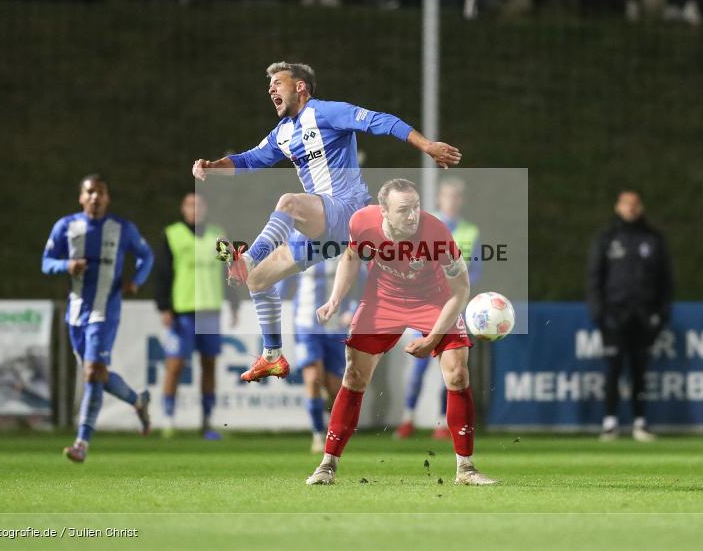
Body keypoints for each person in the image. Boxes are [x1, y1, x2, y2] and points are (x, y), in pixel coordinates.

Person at [191, 62, 461, 384]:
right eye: (270, 85)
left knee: (289, 203)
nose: (271, 89)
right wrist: (212, 165)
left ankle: (247, 257)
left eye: (278, 82)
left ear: (301, 87)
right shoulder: (283, 133)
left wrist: (427, 145)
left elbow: (381, 122)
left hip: (348, 211)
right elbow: (249, 159)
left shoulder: (328, 113)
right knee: (258, 282)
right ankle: (273, 355)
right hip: (322, 228)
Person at [306, 178, 496, 486]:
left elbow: (460, 289)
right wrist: (335, 299)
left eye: (417, 207)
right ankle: (327, 464)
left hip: (434, 299)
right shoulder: (362, 222)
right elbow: (351, 257)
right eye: (404, 209)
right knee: (354, 375)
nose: (413, 216)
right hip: (384, 299)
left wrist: (432, 338)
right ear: (383, 211)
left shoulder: (436, 231)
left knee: (458, 374)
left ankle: (466, 468)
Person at [42, 175, 154, 463]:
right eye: (90, 192)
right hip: (76, 312)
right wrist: (66, 265)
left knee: (93, 373)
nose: (95, 197)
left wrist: (136, 281)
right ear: (81, 197)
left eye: (100, 192)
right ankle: (138, 400)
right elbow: (46, 262)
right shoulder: (66, 226)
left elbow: (146, 256)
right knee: (98, 374)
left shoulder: (122, 228)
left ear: (107, 198)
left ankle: (81, 443)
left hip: (106, 310)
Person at [395, 176, 482, 440]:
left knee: (454, 367)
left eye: (456, 197)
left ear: (461, 200)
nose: (451, 201)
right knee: (419, 365)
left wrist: (456, 286)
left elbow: (476, 271)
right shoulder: (422, 226)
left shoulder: (470, 231)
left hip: (454, 307)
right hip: (425, 305)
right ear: (439, 199)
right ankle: (407, 419)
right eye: (447, 196)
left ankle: (444, 422)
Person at [586, 189, 673, 442]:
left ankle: (640, 423)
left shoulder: (653, 239)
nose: (630, 209)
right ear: (618, 207)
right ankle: (610, 422)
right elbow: (594, 277)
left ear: (641, 207)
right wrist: (598, 312)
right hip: (614, 314)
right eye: (626, 204)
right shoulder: (606, 238)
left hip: (644, 316)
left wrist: (662, 313)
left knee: (640, 370)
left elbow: (666, 280)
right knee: (613, 368)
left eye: (634, 204)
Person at [153, 192, 240, 440]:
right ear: (183, 208)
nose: (195, 208)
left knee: (209, 366)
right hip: (183, 311)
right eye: (190, 204)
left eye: (199, 204)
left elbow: (230, 270)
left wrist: (233, 303)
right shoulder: (172, 234)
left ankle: (208, 422)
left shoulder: (218, 234)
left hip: (210, 310)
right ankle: (168, 420)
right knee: (175, 365)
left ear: (205, 208)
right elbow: (162, 272)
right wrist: (164, 306)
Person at [279, 257, 352, 453]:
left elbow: (361, 284)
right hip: (306, 327)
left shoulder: (343, 250)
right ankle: (318, 434)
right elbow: (280, 287)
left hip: (336, 328)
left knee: (334, 387)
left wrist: (352, 309)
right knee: (313, 379)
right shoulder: (300, 251)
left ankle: (333, 431)